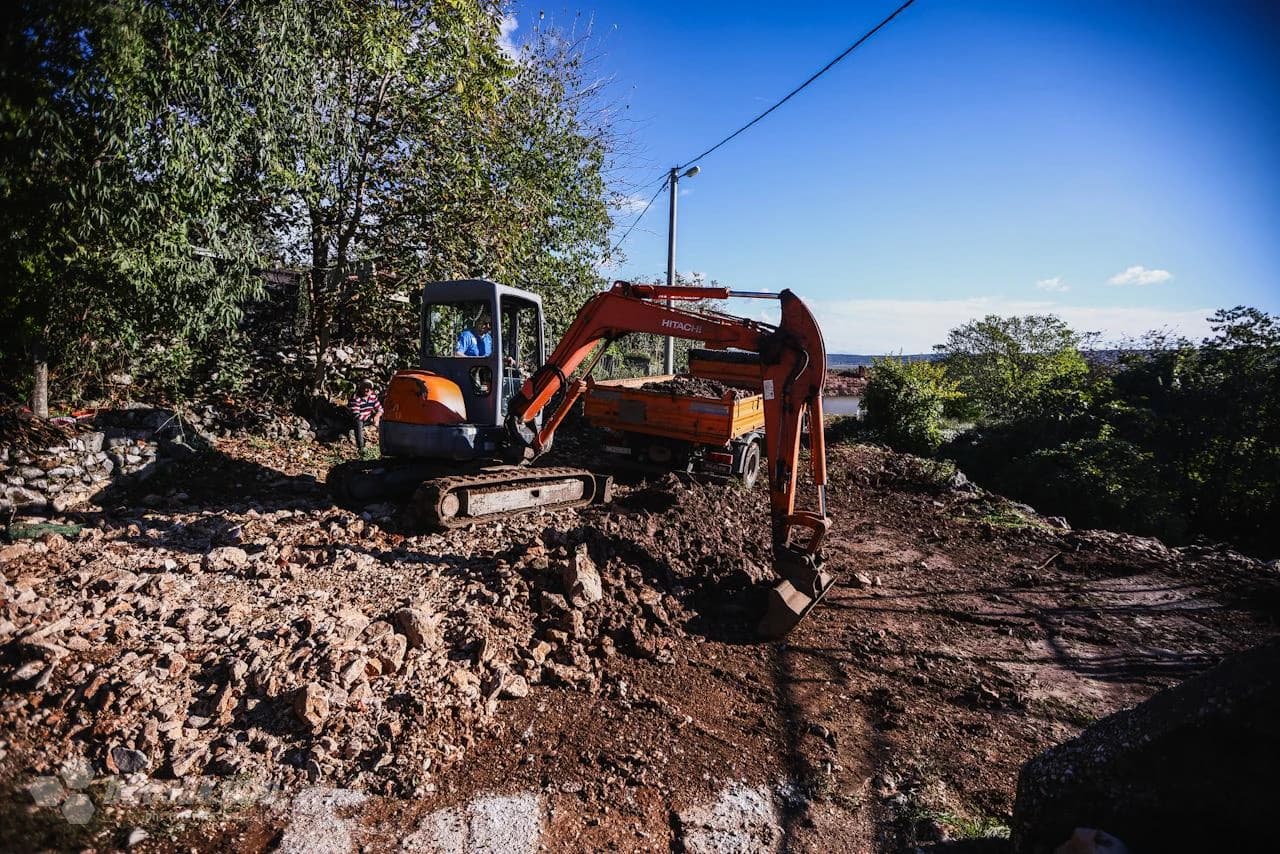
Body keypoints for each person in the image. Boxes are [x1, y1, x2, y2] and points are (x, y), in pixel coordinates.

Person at [348, 379, 382, 452]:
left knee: (383, 419)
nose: (367, 390)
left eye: (369, 388)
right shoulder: (356, 398)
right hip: (356, 420)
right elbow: (356, 415)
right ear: (361, 388)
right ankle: (361, 447)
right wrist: (371, 420)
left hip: (367, 418)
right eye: (365, 387)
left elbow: (380, 409)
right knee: (358, 422)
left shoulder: (373, 397)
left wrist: (377, 416)